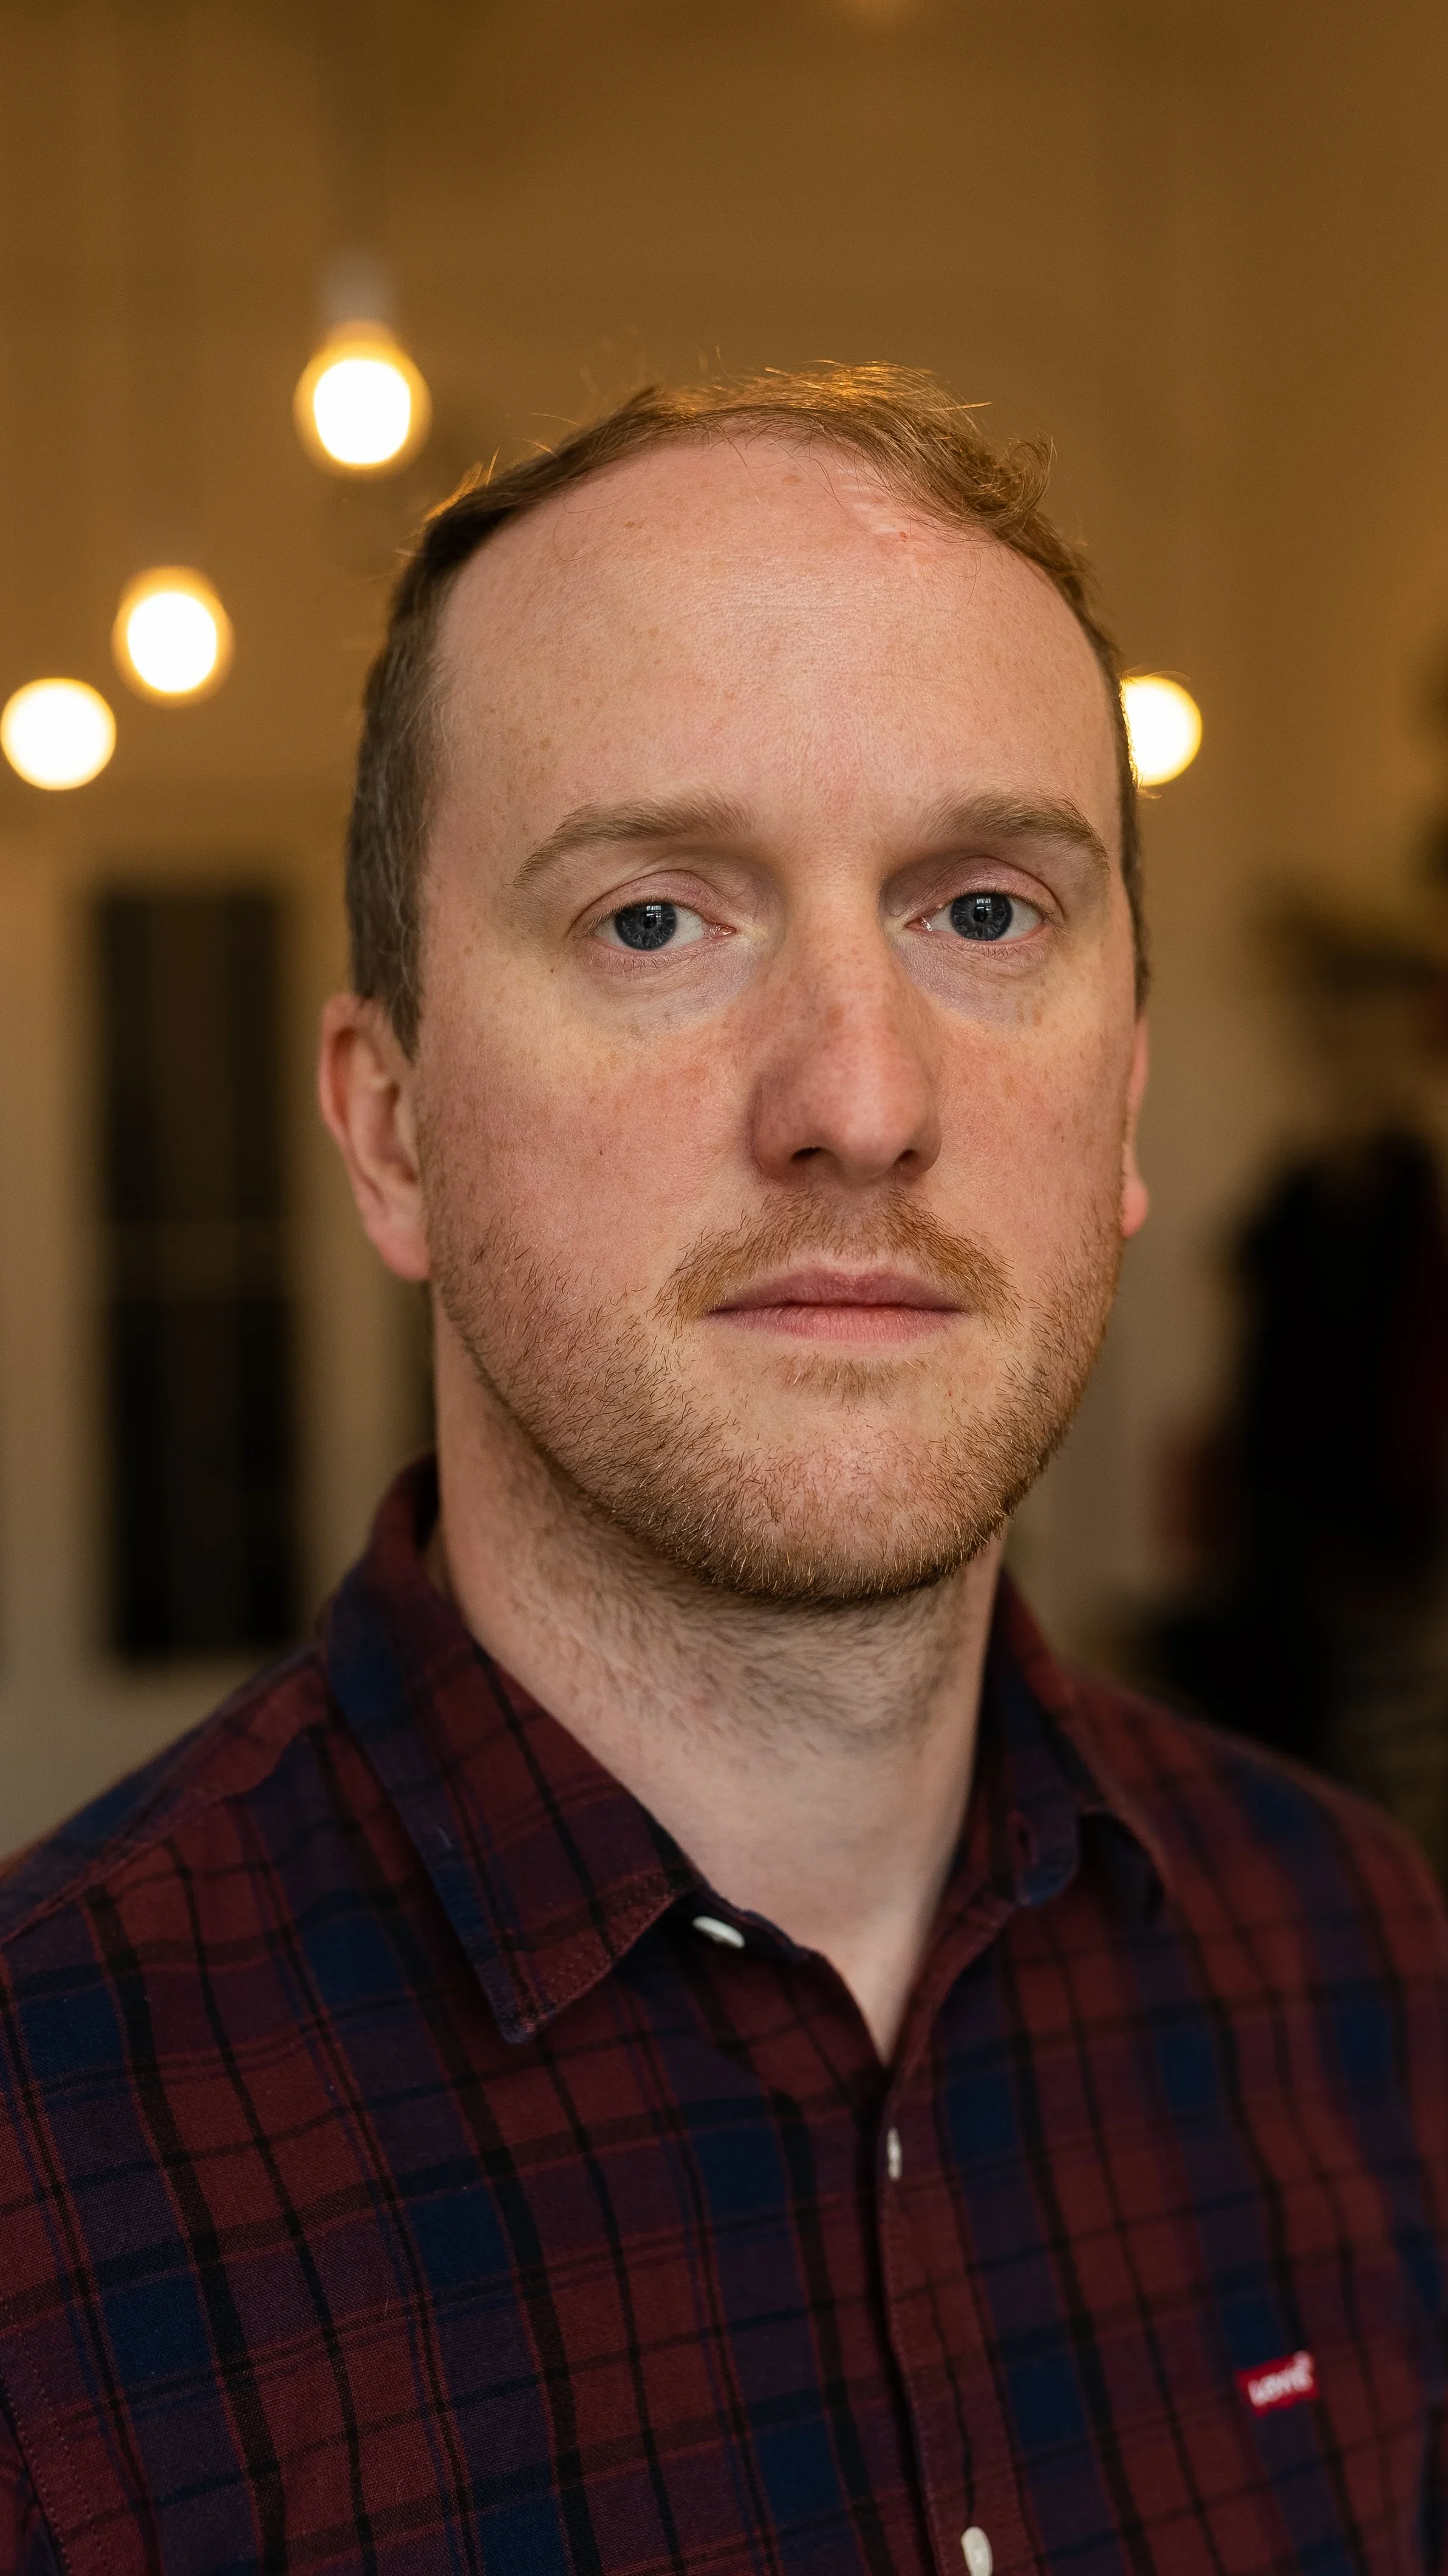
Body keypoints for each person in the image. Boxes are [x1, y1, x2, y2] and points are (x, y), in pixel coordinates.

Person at [0, 367, 1444, 2576]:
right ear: (390, 1128)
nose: (860, 1102)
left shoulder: (1366, 1976)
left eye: (985, 914)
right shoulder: (42, 2169)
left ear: (1126, 1107)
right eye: (656, 919)